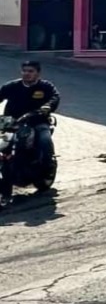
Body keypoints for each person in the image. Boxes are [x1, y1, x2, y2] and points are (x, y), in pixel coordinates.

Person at [0, 60, 60, 204]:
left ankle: (47, 168)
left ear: (38, 73)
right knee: (4, 148)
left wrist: (47, 107)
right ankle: (6, 189)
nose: (27, 74)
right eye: (25, 71)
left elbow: (54, 97)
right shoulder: (12, 86)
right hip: (12, 123)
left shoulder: (45, 86)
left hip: (37, 123)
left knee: (45, 141)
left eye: (31, 71)